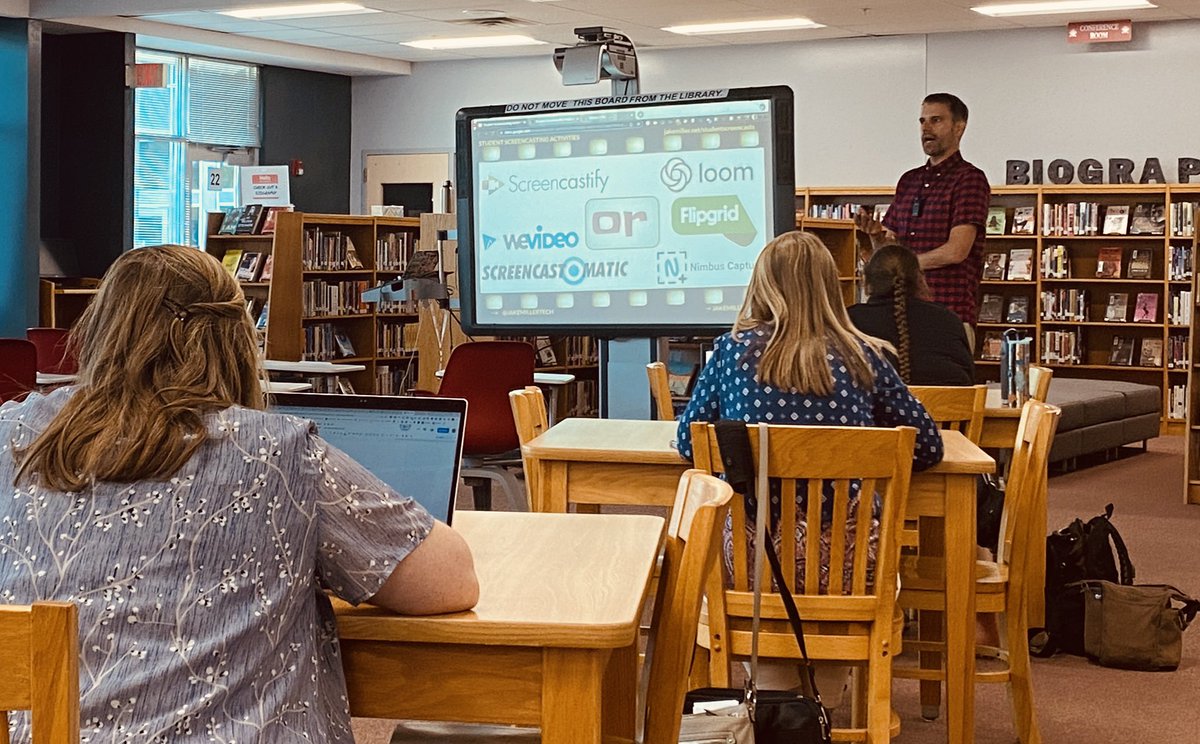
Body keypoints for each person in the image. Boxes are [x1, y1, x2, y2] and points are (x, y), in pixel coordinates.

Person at [0, 245, 479, 743]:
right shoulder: (277, 454)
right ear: (235, 340)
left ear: (98, 330)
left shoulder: (11, 435)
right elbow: (451, 581)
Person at [674, 231, 944, 703]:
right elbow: (927, 448)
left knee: (740, 540)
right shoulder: (869, 356)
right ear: (830, 287)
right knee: (849, 551)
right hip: (850, 564)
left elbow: (689, 442)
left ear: (761, 284)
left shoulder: (731, 352)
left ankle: (778, 704)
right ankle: (824, 700)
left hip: (754, 567)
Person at [856, 92, 990, 334]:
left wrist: (903, 266)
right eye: (922, 121)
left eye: (936, 120)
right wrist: (876, 237)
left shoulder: (970, 179)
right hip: (900, 312)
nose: (926, 128)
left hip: (947, 314)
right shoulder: (908, 181)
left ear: (959, 127)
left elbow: (956, 251)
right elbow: (888, 250)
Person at [848, 243, 975, 386]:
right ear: (920, 279)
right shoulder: (947, 319)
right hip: (947, 407)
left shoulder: (849, 320)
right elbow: (970, 380)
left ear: (866, 282)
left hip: (875, 408)